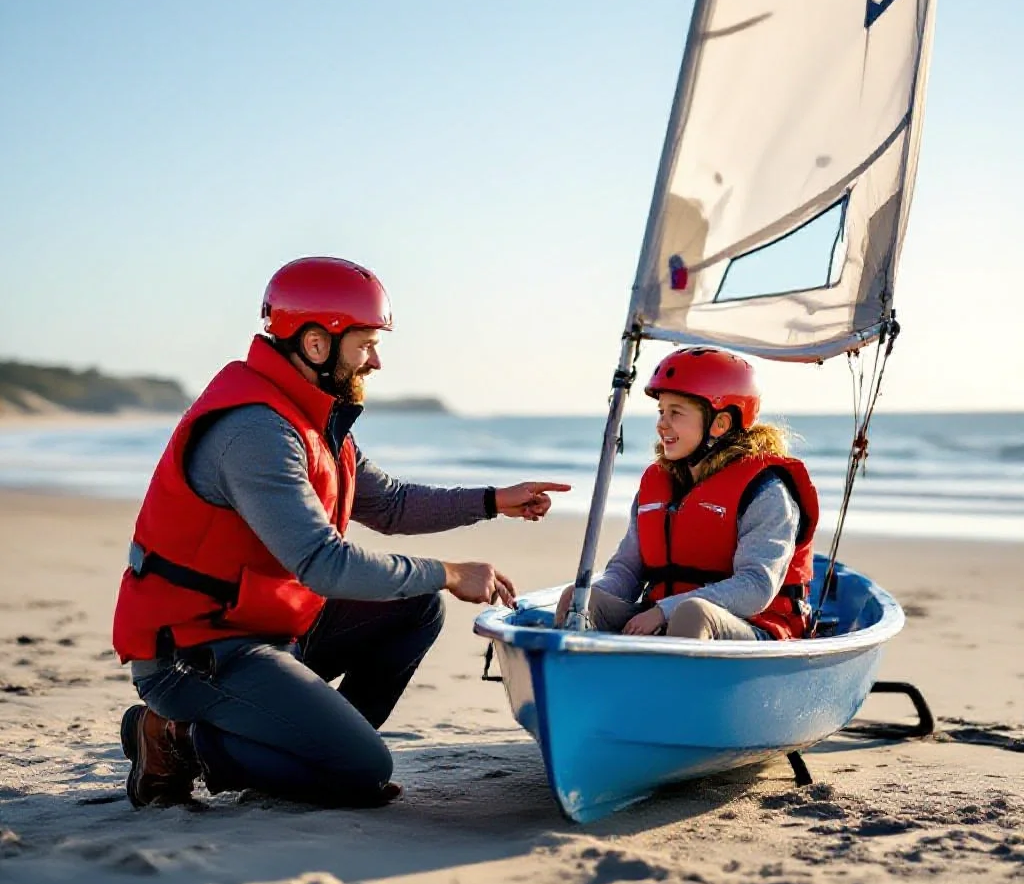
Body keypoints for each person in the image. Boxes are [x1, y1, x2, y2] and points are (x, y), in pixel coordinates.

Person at [113, 255, 570, 809]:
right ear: (314, 344)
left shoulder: (310, 418)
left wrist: (495, 501)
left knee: (417, 606)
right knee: (362, 767)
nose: (375, 361)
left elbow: (392, 504)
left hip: (266, 631)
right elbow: (323, 563)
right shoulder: (256, 431)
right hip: (196, 653)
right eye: (365, 344)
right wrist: (450, 572)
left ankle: (312, 745)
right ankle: (172, 737)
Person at [556, 346, 818, 641]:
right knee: (575, 600)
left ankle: (672, 685)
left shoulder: (767, 492)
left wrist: (664, 611)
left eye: (675, 413)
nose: (661, 424)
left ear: (720, 423)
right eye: (661, 412)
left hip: (752, 628)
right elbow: (627, 570)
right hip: (667, 620)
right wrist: (587, 603)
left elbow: (755, 586)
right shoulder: (658, 483)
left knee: (693, 614)